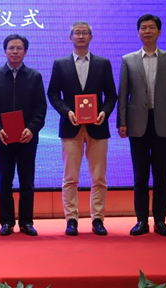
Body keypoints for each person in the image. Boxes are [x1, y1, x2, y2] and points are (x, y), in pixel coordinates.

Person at [118, 14, 166, 237]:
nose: (147, 31)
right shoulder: (128, 60)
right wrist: (122, 122)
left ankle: (160, 221)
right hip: (137, 124)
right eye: (143, 28)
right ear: (138, 32)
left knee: (161, 175)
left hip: (163, 123)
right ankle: (141, 221)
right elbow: (123, 94)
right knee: (140, 176)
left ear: (159, 31)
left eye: (152, 27)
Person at [47, 22, 117, 236]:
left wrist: (104, 112)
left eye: (84, 33)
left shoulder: (103, 63)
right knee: (70, 177)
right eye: (77, 33)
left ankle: (98, 219)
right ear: (70, 37)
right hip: (71, 127)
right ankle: (71, 219)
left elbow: (111, 95)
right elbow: (53, 94)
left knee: (99, 177)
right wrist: (66, 112)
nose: (80, 36)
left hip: (98, 127)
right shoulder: (60, 64)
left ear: (91, 37)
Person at [0, 34, 47, 236]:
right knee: (4, 181)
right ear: (5, 51)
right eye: (11, 48)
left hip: (27, 138)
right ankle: (6, 222)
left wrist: (31, 129)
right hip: (2, 138)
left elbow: (40, 108)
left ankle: (26, 222)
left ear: (25, 52)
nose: (15, 51)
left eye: (19, 48)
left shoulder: (34, 76)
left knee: (27, 181)